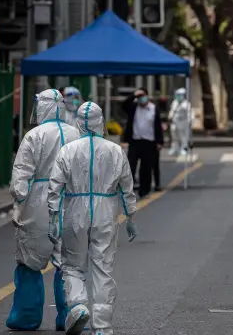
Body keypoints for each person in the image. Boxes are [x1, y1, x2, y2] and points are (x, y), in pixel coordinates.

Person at [47, 101, 138, 335]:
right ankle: (102, 326)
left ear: (78, 122)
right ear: (101, 121)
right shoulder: (115, 150)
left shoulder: (68, 150)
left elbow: (55, 186)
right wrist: (130, 216)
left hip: (74, 208)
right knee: (103, 266)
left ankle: (77, 305)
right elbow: (127, 186)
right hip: (106, 210)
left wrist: (53, 216)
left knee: (72, 265)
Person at [7, 89, 80, 331]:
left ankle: (26, 317)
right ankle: (70, 314)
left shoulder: (34, 136)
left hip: (37, 202)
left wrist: (18, 203)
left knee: (29, 261)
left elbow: (22, 173)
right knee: (68, 262)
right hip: (69, 200)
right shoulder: (75, 133)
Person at [121, 88, 164, 198]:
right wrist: (133, 95)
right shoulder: (134, 107)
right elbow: (123, 105)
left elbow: (158, 126)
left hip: (149, 142)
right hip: (135, 141)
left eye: (143, 96)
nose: (141, 98)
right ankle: (128, 190)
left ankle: (144, 190)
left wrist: (159, 142)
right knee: (131, 166)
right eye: (139, 97)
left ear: (147, 96)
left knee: (146, 168)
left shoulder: (153, 109)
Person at [168, 87, 192, 157]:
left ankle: (184, 148)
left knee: (183, 136)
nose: (178, 96)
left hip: (183, 122)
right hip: (175, 121)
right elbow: (172, 110)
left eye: (179, 95)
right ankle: (174, 148)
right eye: (177, 95)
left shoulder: (186, 104)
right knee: (174, 136)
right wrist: (170, 116)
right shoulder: (174, 102)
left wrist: (189, 121)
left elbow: (189, 113)